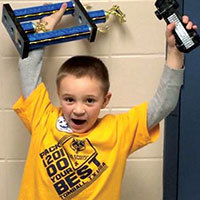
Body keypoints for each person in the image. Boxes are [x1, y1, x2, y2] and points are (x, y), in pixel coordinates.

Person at [13, 3, 197, 200]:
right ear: (58, 95)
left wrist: (175, 52)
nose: (78, 110)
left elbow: (164, 105)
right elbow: (28, 67)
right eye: (69, 99)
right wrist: (43, 30)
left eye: (89, 101)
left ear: (105, 100)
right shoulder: (43, 118)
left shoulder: (118, 132)